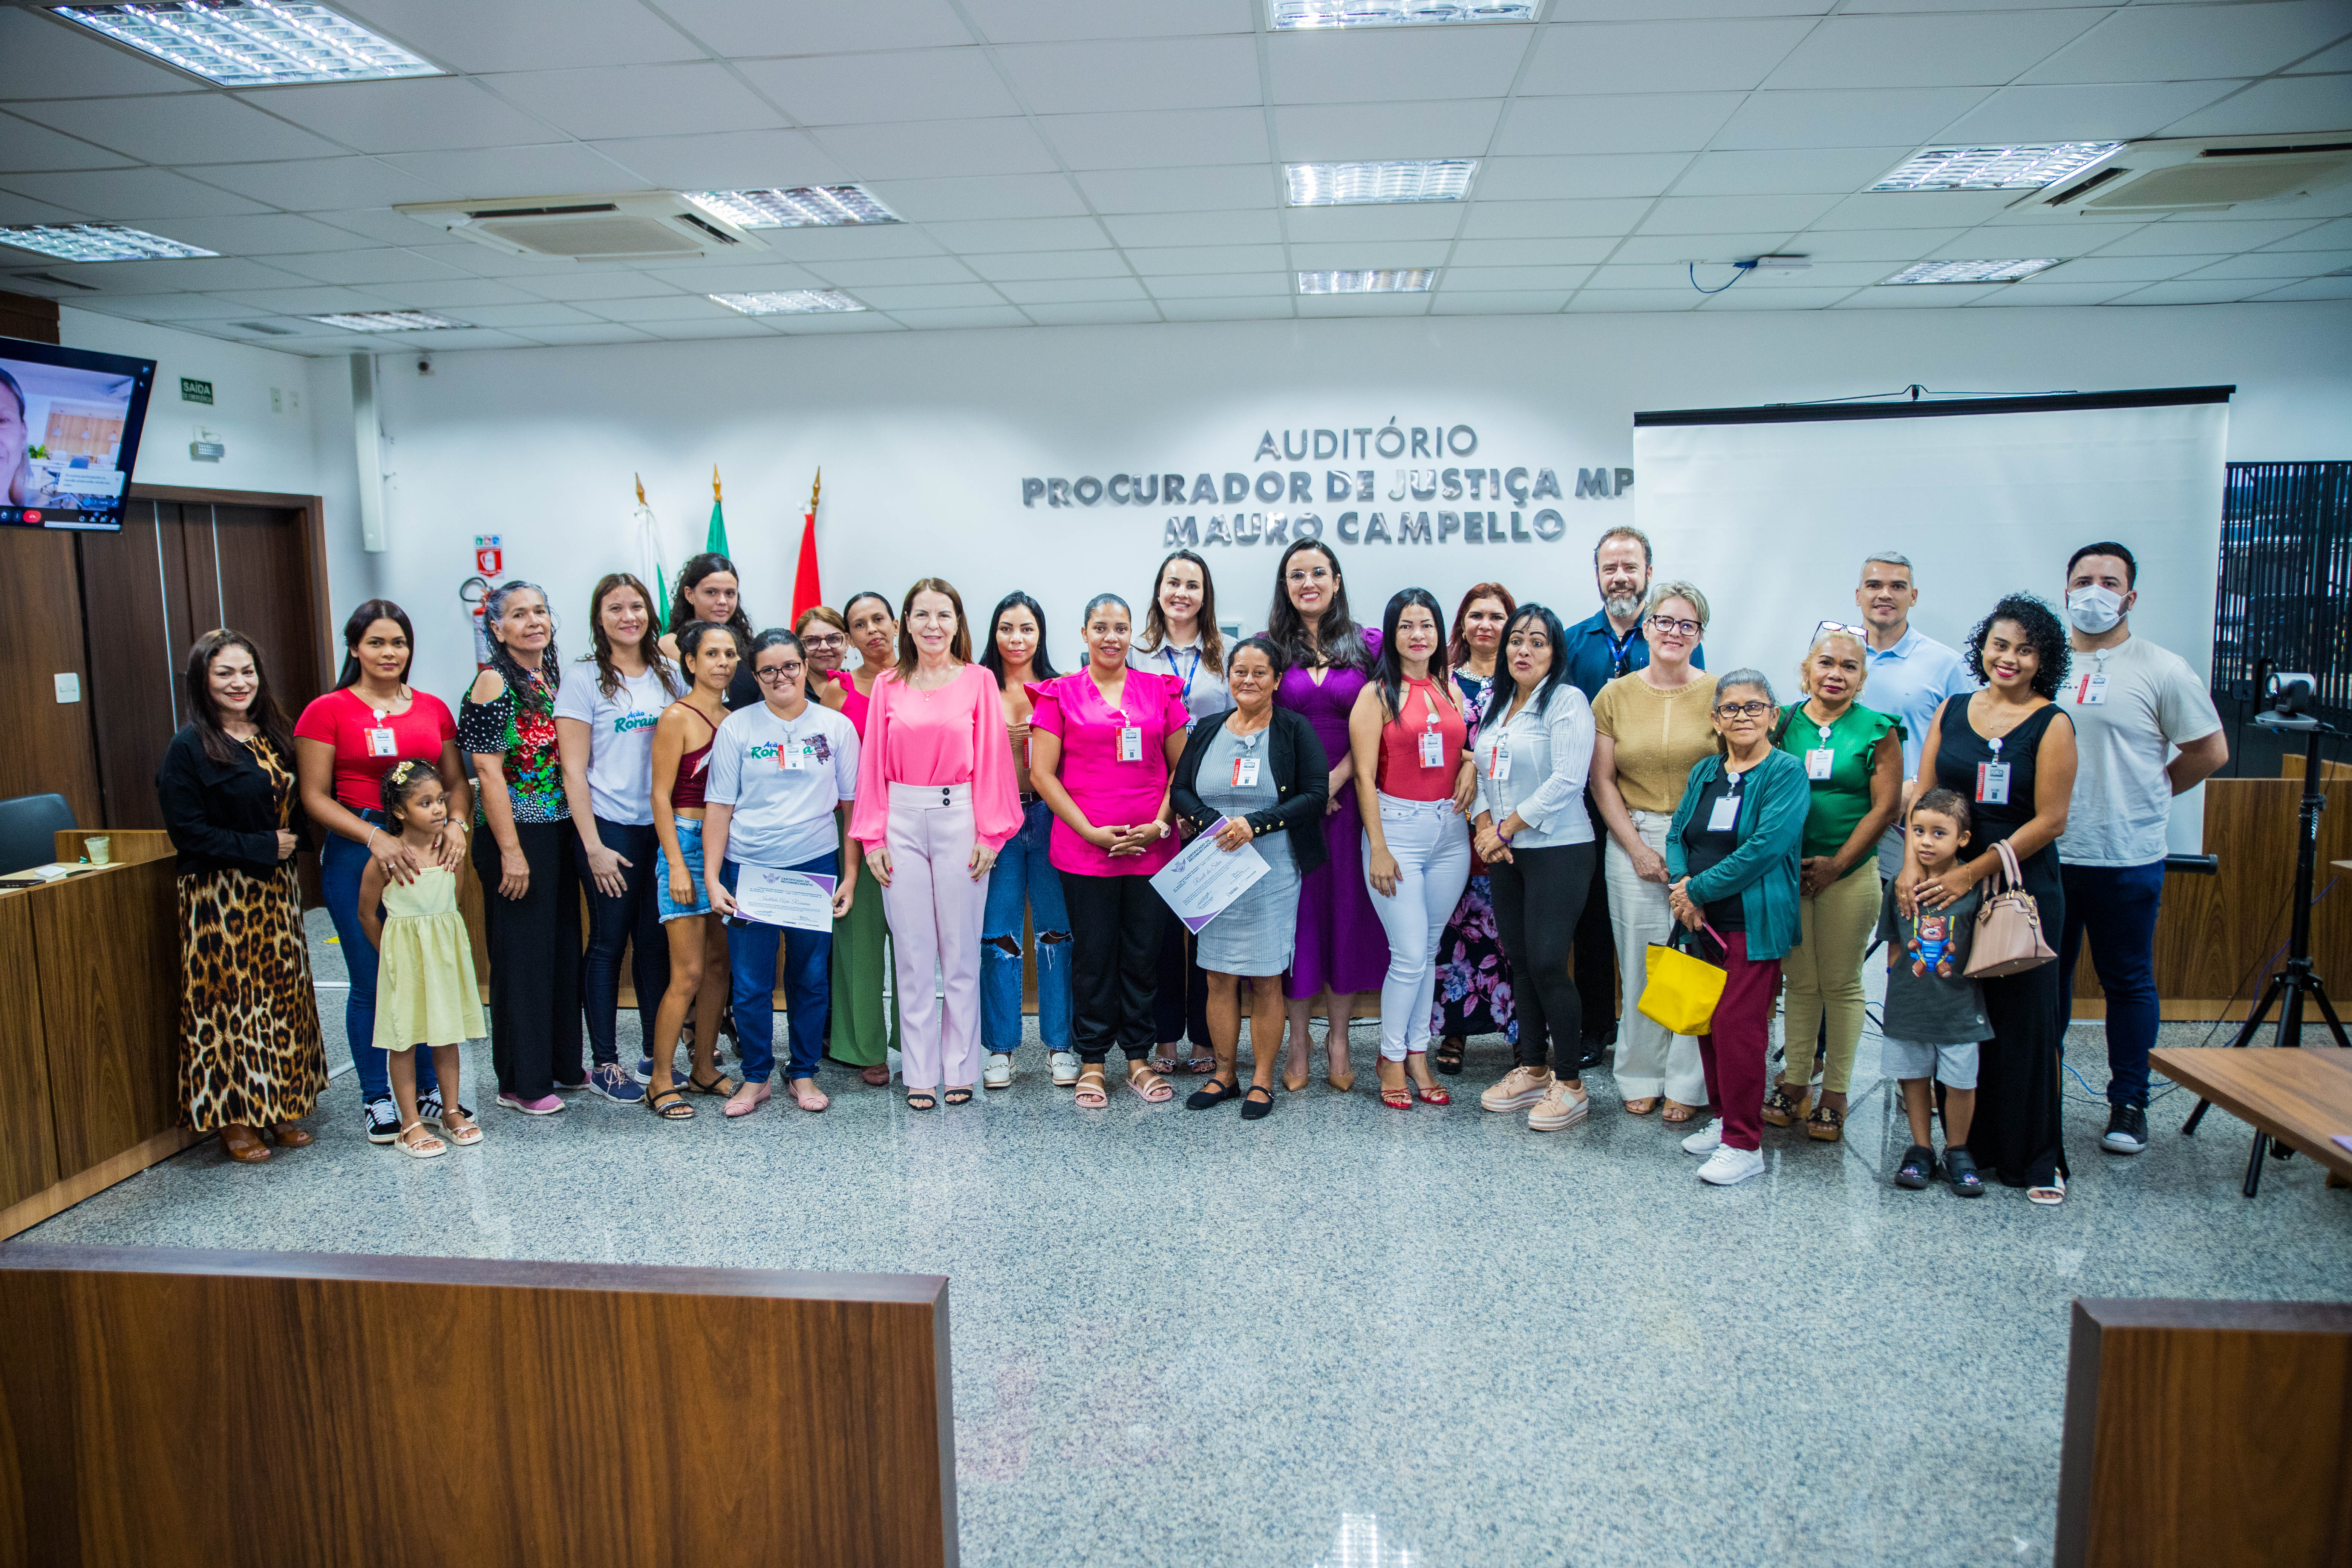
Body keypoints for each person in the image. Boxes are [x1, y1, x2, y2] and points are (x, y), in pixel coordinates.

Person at [2052, 541, 2227, 1156]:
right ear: (2066, 590)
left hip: (2127, 856)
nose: (2094, 591)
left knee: (2127, 981)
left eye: (2109, 581)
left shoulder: (2162, 668)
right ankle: (2037, 1095)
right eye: (2083, 580)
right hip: (2051, 855)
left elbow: (2210, 751)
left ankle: (2129, 1102)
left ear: (2130, 596)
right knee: (2045, 980)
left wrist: (2152, 791)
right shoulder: (2046, 666)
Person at [1905, 593, 2078, 1205]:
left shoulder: (2052, 722)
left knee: (2023, 1022)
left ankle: (2033, 1158)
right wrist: (1910, 873)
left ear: (2043, 662)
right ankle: (1959, 1148)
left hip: (2020, 890)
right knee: (1956, 1018)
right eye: (2000, 644)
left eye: (2025, 650)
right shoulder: (1952, 709)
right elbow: (1923, 799)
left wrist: (1972, 872)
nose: (2009, 658)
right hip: (1945, 889)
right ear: (1983, 647)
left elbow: (2052, 819)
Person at [294, 600, 469, 1142]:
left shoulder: (433, 708)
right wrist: (375, 838)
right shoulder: (326, 710)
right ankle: (379, 1098)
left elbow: (456, 781)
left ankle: (425, 1092)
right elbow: (314, 797)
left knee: (425, 974)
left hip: (429, 848)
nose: (390, 653)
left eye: (398, 642)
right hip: (359, 847)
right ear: (355, 648)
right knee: (376, 976)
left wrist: (458, 824)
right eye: (377, 643)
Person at [851, 580, 1024, 1112]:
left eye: (943, 615)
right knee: (911, 953)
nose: (933, 625)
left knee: (960, 954)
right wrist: (873, 835)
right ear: (906, 621)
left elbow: (994, 760)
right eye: (921, 614)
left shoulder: (978, 680)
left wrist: (991, 834)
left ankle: (960, 1070)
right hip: (900, 819)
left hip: (961, 818)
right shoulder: (888, 683)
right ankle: (921, 1072)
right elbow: (872, 765)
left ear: (957, 622)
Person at [157, 629, 326, 1164]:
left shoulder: (273, 732)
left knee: (280, 1000)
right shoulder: (188, 747)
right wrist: (263, 845)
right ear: (202, 680)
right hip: (218, 897)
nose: (239, 683)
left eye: (246, 672)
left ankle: (279, 1104)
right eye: (224, 673)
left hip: (274, 892)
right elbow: (187, 832)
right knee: (229, 1006)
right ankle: (233, 1118)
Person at [1028, 593, 1190, 1109]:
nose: (1112, 637)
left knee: (1143, 956)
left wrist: (1161, 825)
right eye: (1101, 627)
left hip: (1151, 847)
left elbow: (1180, 770)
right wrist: (1089, 831)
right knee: (1094, 957)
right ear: (1084, 634)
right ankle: (1094, 1061)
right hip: (1085, 849)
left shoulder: (1159, 690)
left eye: (1121, 628)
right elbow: (1042, 775)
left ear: (1132, 635)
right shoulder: (1059, 694)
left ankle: (1138, 1060)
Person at [1170, 635, 1331, 1120]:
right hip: (1217, 869)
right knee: (1217, 974)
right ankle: (1224, 1072)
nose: (1248, 680)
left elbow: (1315, 795)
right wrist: (1209, 822)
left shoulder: (1293, 730)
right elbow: (1179, 790)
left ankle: (1262, 1078)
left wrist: (1254, 824)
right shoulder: (1209, 729)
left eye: (1260, 672)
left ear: (1277, 680)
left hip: (1273, 867)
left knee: (1265, 979)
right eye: (1240, 671)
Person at [705, 630, 861, 1118]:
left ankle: (803, 1071)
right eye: (769, 670)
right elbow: (719, 807)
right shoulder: (737, 728)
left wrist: (851, 876)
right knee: (751, 983)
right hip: (749, 868)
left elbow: (854, 808)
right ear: (755, 676)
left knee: (810, 977)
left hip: (814, 867)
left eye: (790, 666)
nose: (782, 677)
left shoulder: (835, 727)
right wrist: (714, 878)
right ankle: (755, 1077)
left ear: (803, 665)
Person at [1561, 528, 1700, 1074]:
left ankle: (1672, 1048)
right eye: (1609, 567)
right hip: (1589, 808)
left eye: (1630, 566)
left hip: (1659, 808)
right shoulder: (1575, 640)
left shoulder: (1670, 637)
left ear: (1648, 571)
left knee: (1668, 934)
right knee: (1593, 924)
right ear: (1597, 575)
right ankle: (1599, 1027)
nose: (1620, 576)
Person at [1665, 670, 1809, 1187]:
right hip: (1699, 923)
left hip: (1752, 922)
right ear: (1715, 719)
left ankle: (1746, 1145)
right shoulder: (1706, 771)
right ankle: (1726, 1120)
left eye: (1754, 707)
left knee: (1739, 1029)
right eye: (1730, 708)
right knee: (1707, 1024)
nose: (1742, 716)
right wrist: (1684, 888)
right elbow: (1679, 832)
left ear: (1773, 715)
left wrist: (1696, 891)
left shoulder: (1786, 773)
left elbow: (1766, 848)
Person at [1762, 627, 1903, 1143]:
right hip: (1790, 871)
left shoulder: (1877, 729)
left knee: (1841, 984)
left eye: (1848, 667)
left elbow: (1886, 806)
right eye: (1826, 663)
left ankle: (1836, 1093)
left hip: (1850, 871)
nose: (1836, 674)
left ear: (1862, 678)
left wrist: (1837, 864)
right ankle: (1797, 1082)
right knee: (1799, 982)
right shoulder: (1785, 723)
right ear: (1807, 670)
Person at [1588, 580, 1720, 1124]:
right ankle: (1640, 1073)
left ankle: (1688, 1082)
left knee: (1693, 961)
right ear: (1647, 627)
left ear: (1700, 636)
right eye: (1665, 621)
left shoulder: (1720, 693)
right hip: (1634, 837)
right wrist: (1638, 848)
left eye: (1687, 625)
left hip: (1704, 843)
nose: (1674, 633)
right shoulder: (1614, 696)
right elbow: (1602, 782)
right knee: (1641, 964)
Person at [1469, 605, 1599, 1133]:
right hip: (1508, 852)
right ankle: (1532, 1066)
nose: (1524, 650)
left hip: (1560, 849)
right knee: (1520, 963)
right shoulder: (1497, 704)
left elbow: (1569, 779)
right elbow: (1481, 769)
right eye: (1517, 640)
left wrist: (1504, 829)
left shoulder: (1567, 702)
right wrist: (1485, 824)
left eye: (1538, 642)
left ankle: (1569, 1084)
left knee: (1548, 962)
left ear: (1555, 653)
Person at [1349, 588, 1477, 1110]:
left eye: (1426, 625)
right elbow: (1361, 775)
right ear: (1393, 634)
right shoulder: (1376, 695)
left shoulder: (1450, 689)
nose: (1418, 635)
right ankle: (1391, 1058)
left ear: (1440, 633)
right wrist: (1378, 847)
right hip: (1395, 832)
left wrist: (1469, 764)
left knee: (1427, 953)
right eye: (1406, 626)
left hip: (1449, 832)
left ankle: (1417, 1053)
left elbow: (1465, 746)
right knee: (1406, 957)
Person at [461, 580, 583, 1116]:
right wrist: (511, 851)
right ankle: (521, 1082)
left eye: (540, 610)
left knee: (559, 950)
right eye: (518, 614)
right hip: (516, 833)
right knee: (524, 959)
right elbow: (487, 769)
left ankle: (559, 1062)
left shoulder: (551, 678)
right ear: (496, 628)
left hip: (558, 827)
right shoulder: (492, 680)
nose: (533, 621)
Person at [554, 573, 677, 1106]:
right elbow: (573, 772)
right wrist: (594, 846)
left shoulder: (670, 674)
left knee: (655, 942)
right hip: (609, 827)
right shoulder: (584, 679)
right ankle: (605, 1062)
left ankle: (655, 1050)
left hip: (662, 828)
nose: (628, 616)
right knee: (608, 943)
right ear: (598, 619)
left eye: (636, 606)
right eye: (615, 608)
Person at [1268, 539, 1384, 1092]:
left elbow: (1387, 723)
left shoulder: (1370, 646)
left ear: (1336, 581)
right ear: (1285, 586)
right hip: (1291, 809)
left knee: (1343, 918)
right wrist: (1306, 795)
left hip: (1350, 806)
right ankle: (1298, 1040)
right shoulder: (1270, 649)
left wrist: (1331, 784)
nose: (1308, 582)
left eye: (1319, 572)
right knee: (1298, 919)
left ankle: (1338, 1040)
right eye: (1297, 575)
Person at [1132, 548, 1232, 1076]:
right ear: (1159, 590)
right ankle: (1165, 1037)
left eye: (1192, 585)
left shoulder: (1227, 655)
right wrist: (1170, 810)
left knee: (1210, 927)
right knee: (1163, 931)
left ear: (1204, 596)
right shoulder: (1137, 655)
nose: (1182, 593)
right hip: (1158, 805)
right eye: (1173, 582)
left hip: (1214, 804)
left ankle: (1206, 1037)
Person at [357, 764, 487, 1159]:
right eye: (425, 802)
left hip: (444, 959)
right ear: (399, 811)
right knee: (405, 1039)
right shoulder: (385, 859)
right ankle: (410, 1122)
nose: (437, 810)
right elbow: (366, 913)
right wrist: (391, 958)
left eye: (441, 801)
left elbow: (454, 901)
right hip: (405, 962)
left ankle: (450, 1110)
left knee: (447, 1036)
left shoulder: (452, 850)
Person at [978, 591, 1077, 1089]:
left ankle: (1061, 1046)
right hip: (997, 824)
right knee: (999, 937)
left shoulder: (1062, 688)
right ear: (993, 634)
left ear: (1040, 635)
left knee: (1057, 934)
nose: (1016, 639)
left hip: (1052, 821)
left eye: (1027, 629)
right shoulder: (976, 687)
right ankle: (1001, 1048)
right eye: (1006, 628)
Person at [644, 621, 740, 1120]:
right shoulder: (677, 717)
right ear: (691, 662)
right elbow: (659, 795)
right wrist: (677, 865)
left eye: (729, 654)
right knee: (689, 972)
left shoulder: (736, 718)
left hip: (724, 846)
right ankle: (662, 1079)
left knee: (720, 967)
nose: (722, 662)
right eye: (712, 654)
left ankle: (703, 1066)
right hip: (684, 841)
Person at [1880, 790, 1991, 1197]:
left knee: (1961, 1080)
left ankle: (1957, 1150)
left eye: (1938, 833)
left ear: (1963, 838)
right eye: (1918, 830)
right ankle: (1921, 1148)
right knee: (1913, 1075)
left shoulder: (1973, 888)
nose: (1926, 841)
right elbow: (1893, 944)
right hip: (1910, 1005)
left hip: (1959, 1007)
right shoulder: (1900, 885)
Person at [1433, 581, 1518, 1075]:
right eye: (1476, 615)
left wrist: (1474, 759)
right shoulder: (1441, 681)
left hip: (1511, 822)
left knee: (1512, 931)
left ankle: (1521, 1034)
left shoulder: (1524, 679)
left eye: (1497, 616)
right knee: (1456, 929)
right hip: (1452, 822)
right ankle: (1455, 1031)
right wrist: (1466, 758)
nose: (1486, 624)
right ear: (1461, 624)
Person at [1853, 551, 1976, 875]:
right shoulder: (1832, 661)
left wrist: (1919, 787)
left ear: (1914, 596)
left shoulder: (1948, 665)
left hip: (1912, 826)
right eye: (1874, 585)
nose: (1884, 594)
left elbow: (1967, 747)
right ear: (1858, 595)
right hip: (1842, 819)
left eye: (1897, 586)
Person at [830, 590, 904, 1086]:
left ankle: (916, 1041)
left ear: (897, 624)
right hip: (854, 823)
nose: (872, 629)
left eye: (880, 619)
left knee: (916, 940)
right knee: (857, 937)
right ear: (850, 637)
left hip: (918, 821)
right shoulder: (836, 689)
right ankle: (864, 1047)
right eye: (860, 624)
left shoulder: (927, 679)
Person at [661, 552, 758, 711]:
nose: (722, 601)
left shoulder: (746, 644)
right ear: (690, 594)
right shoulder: (671, 645)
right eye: (711, 592)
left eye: (730, 593)